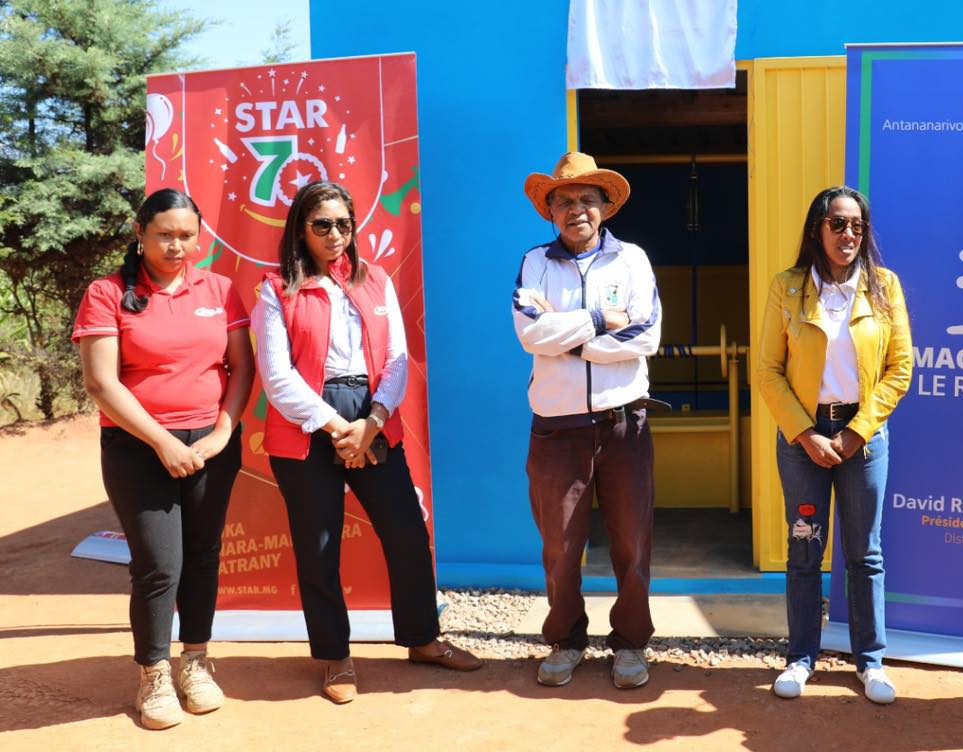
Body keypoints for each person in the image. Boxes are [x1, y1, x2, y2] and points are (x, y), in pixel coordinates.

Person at [255, 181, 478, 704]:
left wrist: (371, 423)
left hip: (374, 415)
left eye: (343, 224)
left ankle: (422, 639)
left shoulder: (376, 280)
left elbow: (399, 359)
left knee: (405, 533)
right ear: (300, 230)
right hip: (309, 425)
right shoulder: (277, 288)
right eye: (322, 225)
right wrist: (338, 428)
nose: (335, 235)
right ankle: (335, 657)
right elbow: (277, 376)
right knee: (319, 547)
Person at [73, 188, 253, 730]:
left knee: (202, 554)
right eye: (164, 234)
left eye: (187, 235)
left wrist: (223, 430)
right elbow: (101, 383)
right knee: (159, 565)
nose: (177, 246)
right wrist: (161, 441)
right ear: (140, 232)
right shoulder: (107, 293)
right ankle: (153, 671)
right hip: (138, 446)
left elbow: (241, 369)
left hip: (209, 445)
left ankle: (194, 660)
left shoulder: (219, 288)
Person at [755, 186, 913, 705]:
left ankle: (871, 663)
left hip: (862, 439)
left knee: (865, 555)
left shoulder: (884, 286)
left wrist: (854, 433)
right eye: (839, 224)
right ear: (817, 229)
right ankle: (801, 658)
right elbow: (768, 370)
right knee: (804, 551)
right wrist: (805, 433)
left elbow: (900, 368)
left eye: (858, 226)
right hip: (803, 438)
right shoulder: (788, 287)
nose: (849, 235)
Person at [512, 152, 662, 689]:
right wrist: (600, 322)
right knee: (560, 542)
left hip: (625, 424)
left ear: (605, 207)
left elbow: (646, 337)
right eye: (564, 200)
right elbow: (531, 336)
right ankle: (565, 640)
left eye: (586, 199)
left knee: (632, 540)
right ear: (550, 210)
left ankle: (630, 644)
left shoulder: (634, 261)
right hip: (557, 427)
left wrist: (568, 337)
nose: (576, 209)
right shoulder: (535, 263)